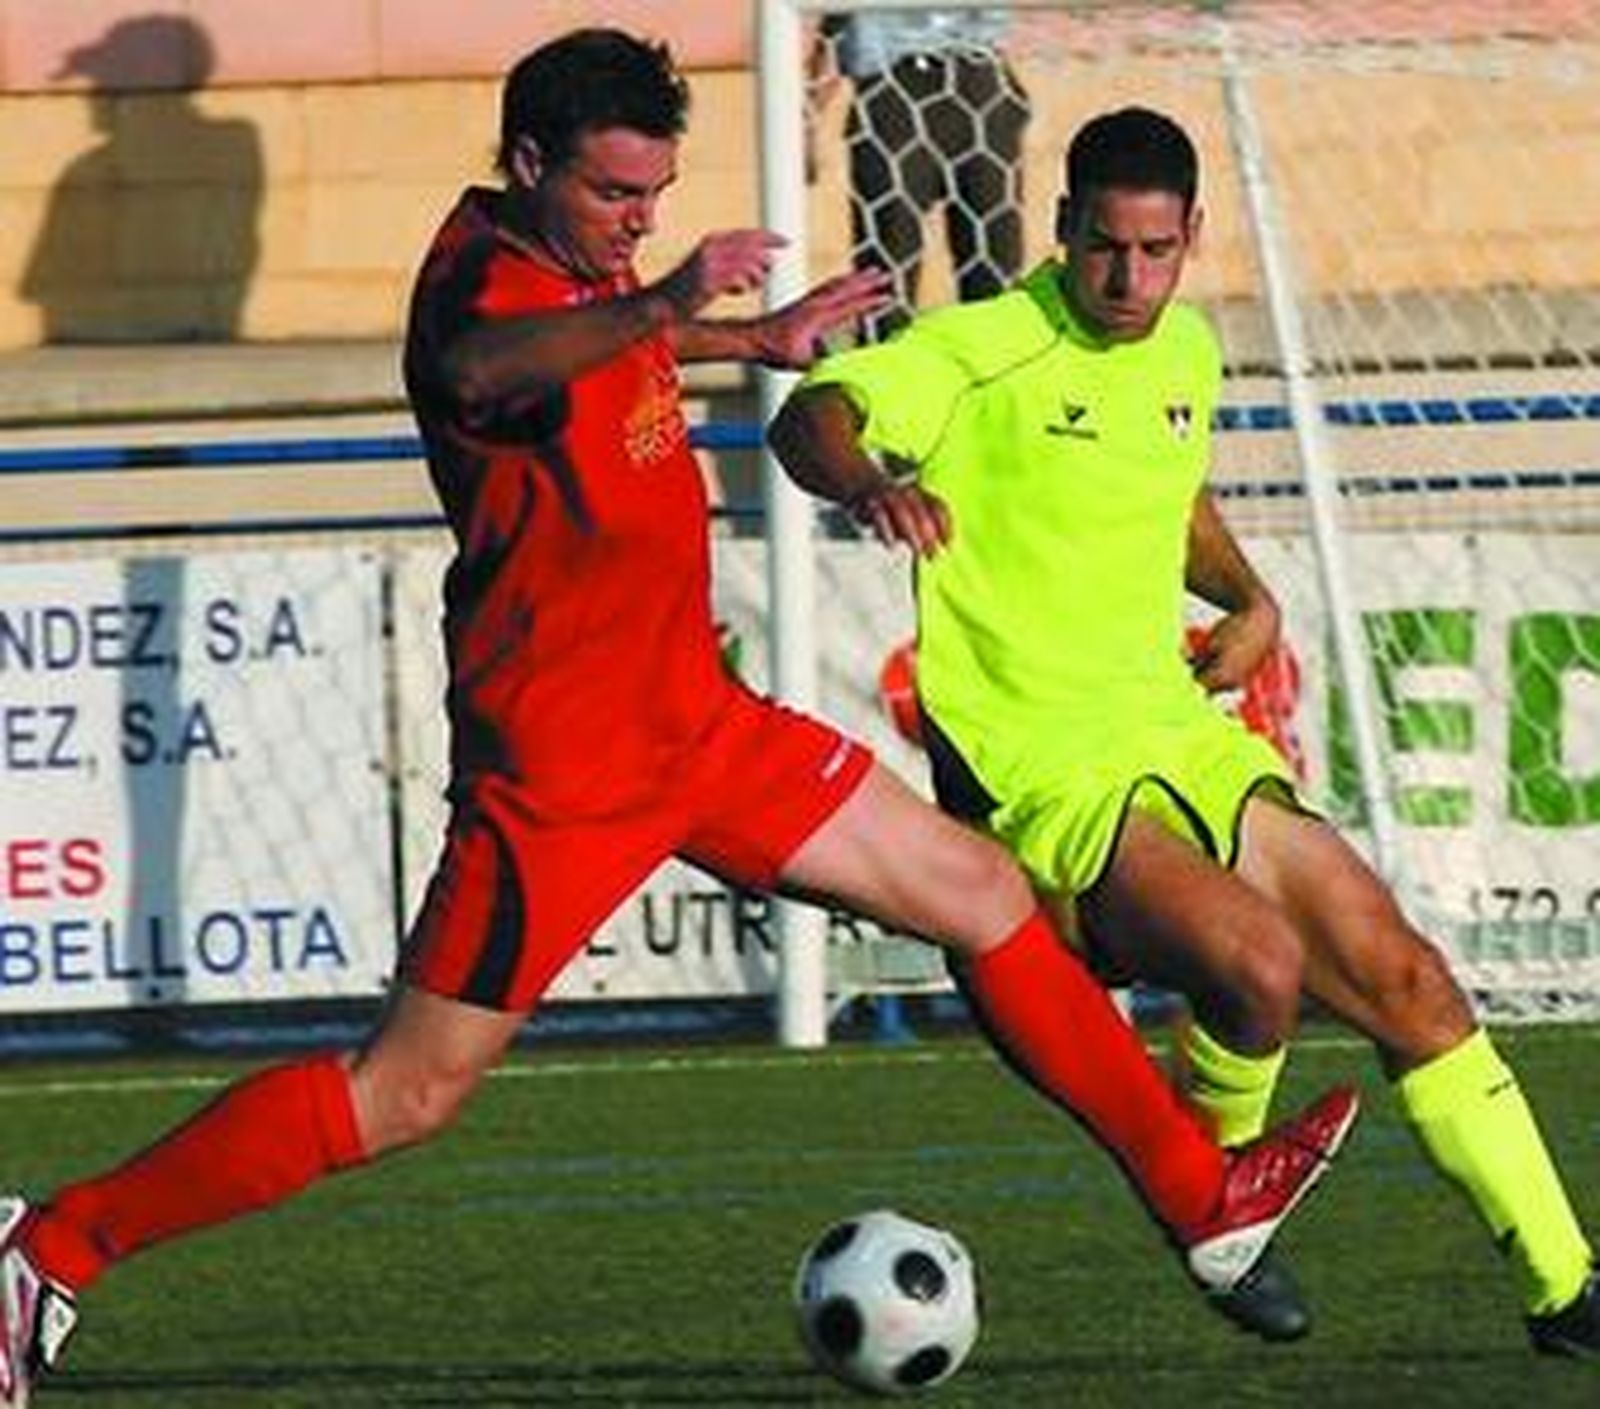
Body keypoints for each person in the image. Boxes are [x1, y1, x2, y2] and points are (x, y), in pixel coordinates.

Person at [0, 42, 1359, 1405]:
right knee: (402, 1092)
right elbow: (479, 371)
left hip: (698, 724)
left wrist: (741, 340)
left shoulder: (590, 268)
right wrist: (664, 301)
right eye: (612, 194)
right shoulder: (482, 278)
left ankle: (1204, 1200)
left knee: (983, 888)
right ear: (528, 163)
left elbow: (609, 345)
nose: (637, 219)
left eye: (654, 195)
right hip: (567, 770)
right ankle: (47, 1246)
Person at [768, 105, 1600, 1357]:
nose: (1129, 279)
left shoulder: (1186, 354)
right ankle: (1209, 1205)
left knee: (1408, 976)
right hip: (1041, 757)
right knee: (1256, 965)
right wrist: (874, 480)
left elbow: (1170, 489)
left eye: (1156, 252)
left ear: (1190, 237)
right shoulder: (979, 348)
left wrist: (1248, 594)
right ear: (1061, 230)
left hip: (1175, 723)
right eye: (1106, 248)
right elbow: (810, 418)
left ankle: (1564, 1286)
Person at [810, 9, 1029, 339]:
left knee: (995, 266)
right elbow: (834, 24)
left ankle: (997, 372)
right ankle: (882, 376)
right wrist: (808, 115)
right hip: (889, 85)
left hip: (977, 75)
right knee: (887, 264)